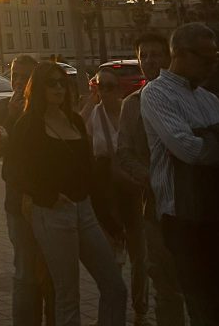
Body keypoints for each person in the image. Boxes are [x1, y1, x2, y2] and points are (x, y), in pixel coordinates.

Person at [8, 60, 126, 326]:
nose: (59, 88)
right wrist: (47, 195)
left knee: (115, 287)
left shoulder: (74, 120)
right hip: (53, 213)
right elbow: (12, 172)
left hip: (84, 210)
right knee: (68, 295)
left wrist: (109, 222)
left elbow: (89, 174)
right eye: (52, 83)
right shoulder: (29, 125)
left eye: (62, 83)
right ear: (39, 87)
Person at [140, 23, 219, 326]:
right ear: (180, 54)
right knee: (202, 306)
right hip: (185, 219)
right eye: (205, 58)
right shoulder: (156, 94)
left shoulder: (208, 99)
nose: (212, 65)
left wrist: (216, 142)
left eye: (215, 58)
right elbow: (187, 148)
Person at [117, 33, 185, 326]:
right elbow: (124, 152)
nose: (149, 61)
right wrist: (150, 178)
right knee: (164, 281)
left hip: (190, 199)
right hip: (155, 206)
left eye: (156, 54)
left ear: (169, 58)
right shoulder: (132, 104)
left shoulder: (185, 96)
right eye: (143, 56)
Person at [84, 70, 148, 326]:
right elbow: (83, 143)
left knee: (140, 255)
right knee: (114, 255)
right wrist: (90, 101)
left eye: (110, 87)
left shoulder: (129, 112)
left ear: (120, 88)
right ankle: (113, 311)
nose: (105, 92)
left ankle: (141, 310)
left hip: (133, 190)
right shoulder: (93, 114)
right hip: (108, 193)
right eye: (101, 87)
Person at [1, 54, 54, 326]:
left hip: (51, 205)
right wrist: (11, 118)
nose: (19, 82)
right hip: (18, 205)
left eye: (25, 77)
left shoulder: (50, 111)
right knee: (25, 272)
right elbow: (1, 157)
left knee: (52, 271)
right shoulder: (4, 109)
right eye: (15, 76)